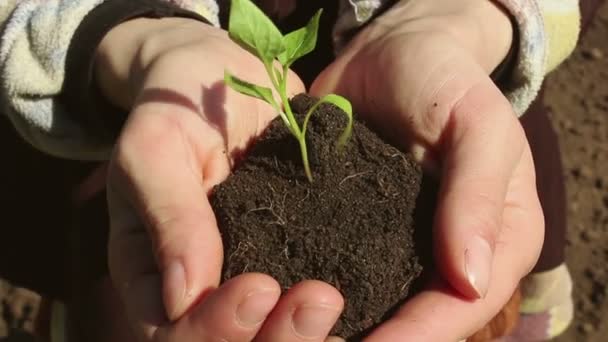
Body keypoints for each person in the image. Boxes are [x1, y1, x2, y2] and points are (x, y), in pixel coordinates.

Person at [0, 0, 589, 340]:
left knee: (493, 287)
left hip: (436, 133)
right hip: (135, 149)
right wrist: (140, 35)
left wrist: (465, 14)